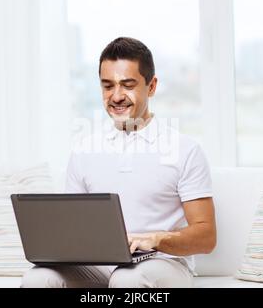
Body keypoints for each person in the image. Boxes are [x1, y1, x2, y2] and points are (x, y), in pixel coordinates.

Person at [21, 37, 216, 288]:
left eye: (128, 85)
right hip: (99, 267)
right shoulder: (84, 150)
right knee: (38, 278)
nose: (116, 96)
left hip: (163, 263)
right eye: (107, 86)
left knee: (127, 280)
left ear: (152, 86)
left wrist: (156, 239)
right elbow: (73, 227)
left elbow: (206, 237)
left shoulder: (185, 149)